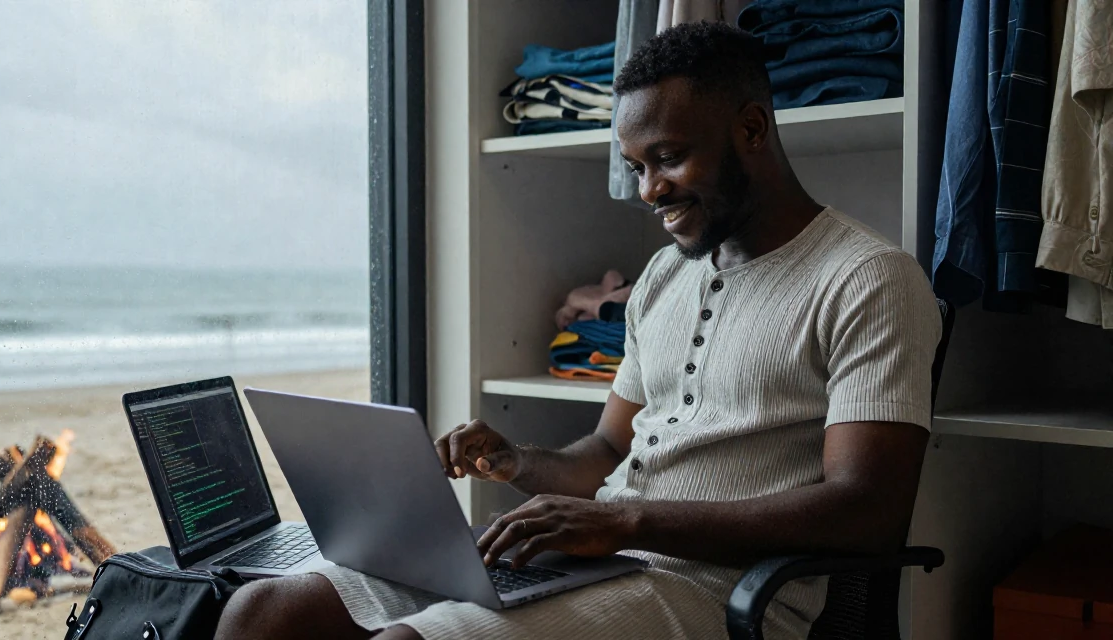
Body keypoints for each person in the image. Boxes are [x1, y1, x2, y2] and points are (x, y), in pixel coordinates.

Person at [214, 21, 941, 640]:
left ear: (751, 129)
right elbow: (605, 450)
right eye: (635, 165)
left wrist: (627, 524)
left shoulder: (869, 279)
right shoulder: (662, 275)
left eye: (667, 158)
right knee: (268, 611)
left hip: (714, 590)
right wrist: (517, 463)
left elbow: (866, 511)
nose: (649, 190)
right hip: (604, 558)